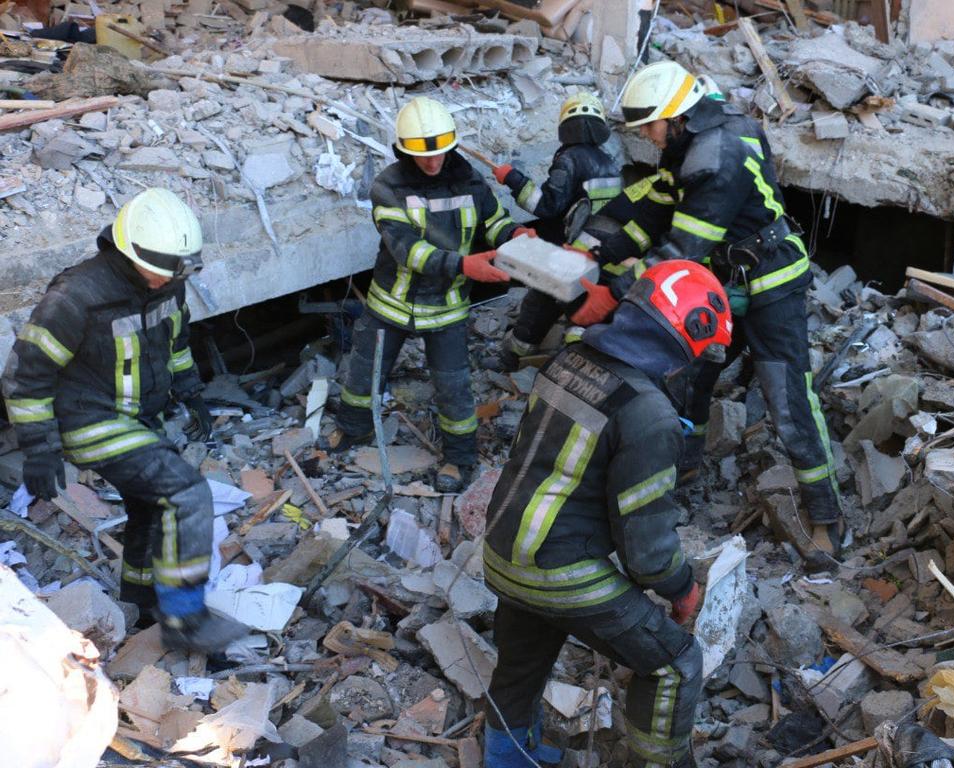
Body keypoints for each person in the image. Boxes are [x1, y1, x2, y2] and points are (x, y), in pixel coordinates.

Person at [573, 60, 844, 559]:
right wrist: (591, 251)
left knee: (787, 400)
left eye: (650, 127)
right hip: (723, 278)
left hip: (770, 280)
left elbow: (682, 249)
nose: (648, 139)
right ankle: (688, 464)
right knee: (690, 375)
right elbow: (651, 206)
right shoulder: (692, 143)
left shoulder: (717, 154)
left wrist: (612, 293)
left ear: (675, 117)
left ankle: (825, 513)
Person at [483, 260, 733, 768]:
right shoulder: (650, 415)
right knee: (675, 666)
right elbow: (647, 553)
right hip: (561, 570)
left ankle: (507, 760)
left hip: (501, 550)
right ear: (687, 337)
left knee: (521, 663)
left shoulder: (568, 360)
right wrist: (682, 589)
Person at [1, 187, 247, 652]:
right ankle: (185, 620)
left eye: (177, 271)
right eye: (159, 271)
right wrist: (38, 446)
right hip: (85, 419)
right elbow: (26, 373)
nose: (167, 281)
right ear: (129, 251)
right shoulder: (77, 297)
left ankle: (138, 599)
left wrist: (190, 388)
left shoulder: (168, 281)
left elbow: (175, 341)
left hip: (135, 417)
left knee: (150, 504)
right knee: (186, 493)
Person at [333, 96, 527, 492]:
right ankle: (353, 430)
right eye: (423, 156)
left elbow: (494, 221)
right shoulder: (388, 187)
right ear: (403, 151)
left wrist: (514, 236)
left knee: (454, 388)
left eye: (440, 154)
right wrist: (463, 265)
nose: (433, 163)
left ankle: (460, 459)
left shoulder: (469, 179)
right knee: (364, 373)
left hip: (447, 309)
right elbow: (406, 249)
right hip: (391, 306)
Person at [489, 92, 622, 371]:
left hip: (565, 251)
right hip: (598, 253)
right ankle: (580, 364)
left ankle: (512, 357)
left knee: (540, 302)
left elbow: (546, 205)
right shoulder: (610, 162)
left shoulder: (569, 159)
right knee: (580, 309)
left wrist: (513, 179)